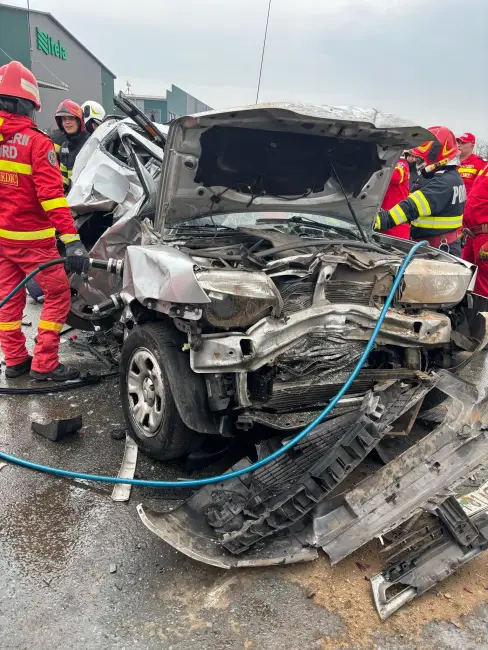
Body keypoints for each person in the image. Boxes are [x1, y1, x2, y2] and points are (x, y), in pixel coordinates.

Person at [0, 61, 89, 381]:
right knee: (58, 294)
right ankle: (45, 362)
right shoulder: (37, 143)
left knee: (8, 300)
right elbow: (52, 199)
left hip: (3, 239)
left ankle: (15, 360)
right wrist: (73, 241)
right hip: (33, 240)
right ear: (28, 104)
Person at [374, 126, 465, 256]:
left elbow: (412, 207)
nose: (418, 162)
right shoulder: (451, 178)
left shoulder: (444, 183)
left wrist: (380, 220)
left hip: (437, 249)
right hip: (438, 246)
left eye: (421, 158)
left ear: (435, 154)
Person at [462, 162, 488, 296]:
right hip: (472, 236)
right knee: (464, 282)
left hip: (484, 237)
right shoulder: (485, 168)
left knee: (484, 289)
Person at [55, 99, 90, 192]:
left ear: (79, 121)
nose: (67, 122)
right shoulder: (64, 147)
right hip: (73, 199)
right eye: (64, 119)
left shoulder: (90, 143)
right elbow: (64, 180)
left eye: (70, 118)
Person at [377, 156, 411, 239]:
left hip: (397, 224)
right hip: (382, 219)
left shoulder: (401, 162)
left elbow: (396, 176)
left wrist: (376, 166)